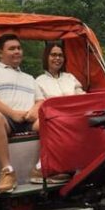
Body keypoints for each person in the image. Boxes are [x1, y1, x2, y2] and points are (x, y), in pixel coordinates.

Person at [0, 34, 42, 193]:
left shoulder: (29, 78)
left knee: (53, 120)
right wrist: (12, 114)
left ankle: (41, 167)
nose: (17, 51)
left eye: (19, 48)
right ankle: (7, 171)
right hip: (6, 119)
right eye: (12, 48)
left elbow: (40, 101)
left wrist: (33, 111)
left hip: (28, 118)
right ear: (0, 53)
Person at [29, 42, 86, 184]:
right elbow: (40, 105)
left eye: (60, 55)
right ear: (46, 58)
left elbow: (81, 96)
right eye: (53, 55)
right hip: (54, 118)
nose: (57, 58)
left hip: (75, 115)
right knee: (58, 123)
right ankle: (41, 166)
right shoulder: (39, 81)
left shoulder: (69, 77)